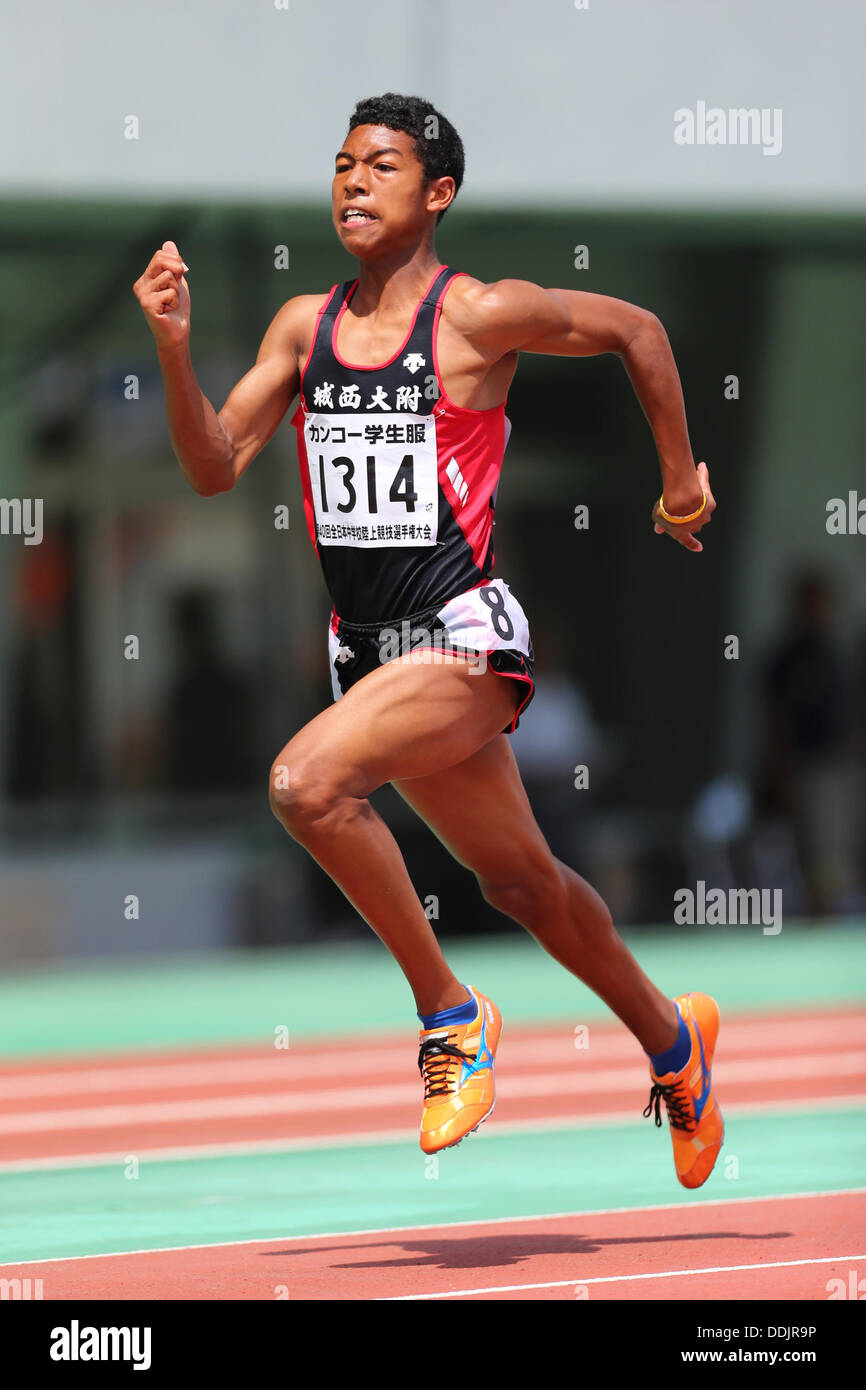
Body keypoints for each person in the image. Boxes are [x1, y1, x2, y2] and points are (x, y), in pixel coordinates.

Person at [134, 92, 721, 1188]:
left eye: (382, 167)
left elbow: (636, 331)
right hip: (368, 656)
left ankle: (450, 1014)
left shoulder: (475, 316)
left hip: (458, 639)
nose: (352, 182)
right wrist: (172, 350)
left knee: (303, 785)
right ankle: (672, 1040)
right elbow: (215, 462)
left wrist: (678, 480)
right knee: (525, 886)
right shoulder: (301, 328)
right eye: (342, 164)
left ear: (436, 193)